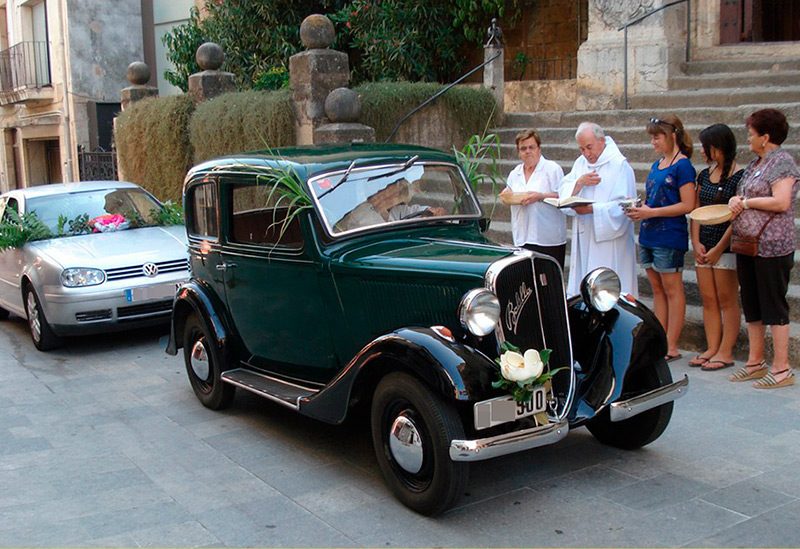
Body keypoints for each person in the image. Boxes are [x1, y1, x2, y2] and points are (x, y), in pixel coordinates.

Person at [727, 108, 799, 389]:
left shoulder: (783, 163)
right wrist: (737, 200)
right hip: (748, 243)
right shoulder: (757, 164)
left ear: (765, 137)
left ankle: (782, 368)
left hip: (772, 245)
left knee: (773, 305)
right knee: (752, 304)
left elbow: (781, 201)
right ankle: (755, 362)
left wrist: (744, 203)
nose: (748, 138)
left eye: (752, 134)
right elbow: (748, 194)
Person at [626, 115, 696, 363]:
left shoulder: (683, 166)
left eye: (657, 136)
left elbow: (688, 204)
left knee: (673, 289)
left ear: (672, 135)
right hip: (649, 233)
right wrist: (640, 210)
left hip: (670, 235)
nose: (653, 141)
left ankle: (672, 344)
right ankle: (661, 339)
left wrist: (651, 212)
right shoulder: (658, 164)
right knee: (657, 289)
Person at [559, 122, 638, 297]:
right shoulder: (581, 163)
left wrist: (592, 209)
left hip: (610, 242)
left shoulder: (619, 166)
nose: (587, 154)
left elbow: (626, 207)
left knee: (608, 290)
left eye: (589, 147)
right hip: (585, 237)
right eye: (582, 149)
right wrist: (579, 183)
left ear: (601, 141)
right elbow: (563, 189)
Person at [688, 124, 744, 371]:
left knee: (727, 299)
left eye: (705, 146)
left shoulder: (740, 175)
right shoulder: (703, 175)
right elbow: (697, 211)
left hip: (726, 246)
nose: (702, 151)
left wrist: (720, 247)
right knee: (708, 299)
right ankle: (712, 347)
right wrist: (696, 242)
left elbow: (737, 217)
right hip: (704, 244)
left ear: (718, 147)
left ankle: (726, 351)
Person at [500, 129, 567, 268]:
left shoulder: (552, 169)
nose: (528, 151)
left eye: (531, 147)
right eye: (523, 149)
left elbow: (563, 196)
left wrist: (540, 196)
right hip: (522, 236)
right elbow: (510, 193)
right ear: (519, 152)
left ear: (539, 149)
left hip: (547, 238)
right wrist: (507, 195)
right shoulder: (515, 173)